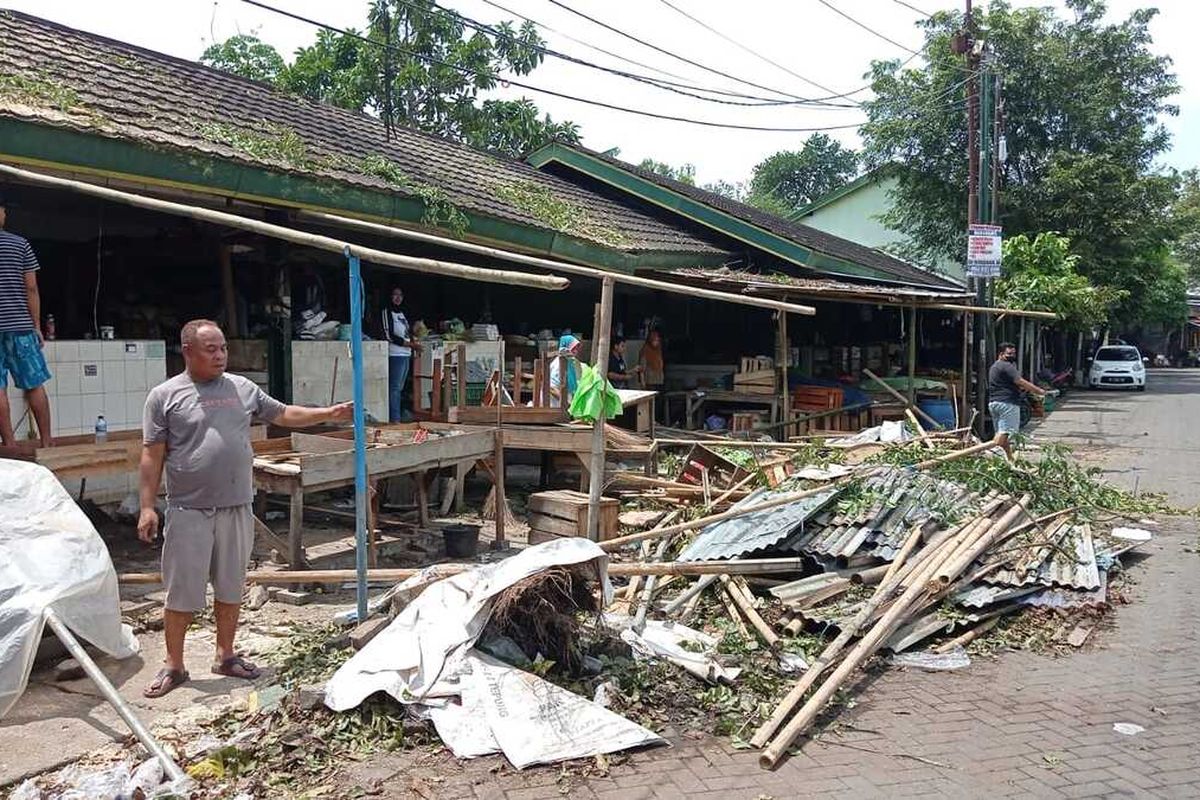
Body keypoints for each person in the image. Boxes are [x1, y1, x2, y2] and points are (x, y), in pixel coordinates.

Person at [138, 319, 353, 698]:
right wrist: (146, 507)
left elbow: (283, 414)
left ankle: (225, 655)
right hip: (189, 509)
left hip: (236, 506)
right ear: (187, 351)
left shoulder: (242, 388)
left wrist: (327, 414)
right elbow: (151, 455)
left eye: (223, 348)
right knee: (182, 591)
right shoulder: (164, 396)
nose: (220, 355)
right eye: (211, 349)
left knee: (231, 585)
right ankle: (174, 664)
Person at [0, 190, 52, 448]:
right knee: (33, 384)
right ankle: (46, 442)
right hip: (20, 327)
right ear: (2, 215)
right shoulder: (20, 245)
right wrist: (36, 326)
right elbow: (31, 288)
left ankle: (9, 445)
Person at [988, 341, 1047, 459]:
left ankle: (1009, 459)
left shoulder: (995, 366)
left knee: (1002, 433)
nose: (1012, 356)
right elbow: (1019, 381)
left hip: (995, 403)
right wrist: (1039, 391)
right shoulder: (1006, 366)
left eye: (1014, 353)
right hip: (1007, 404)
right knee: (1007, 433)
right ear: (1001, 354)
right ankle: (989, 451)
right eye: (1009, 354)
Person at [381, 286, 421, 422]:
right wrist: (411, 345)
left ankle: (397, 415)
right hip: (395, 354)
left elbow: (407, 333)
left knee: (400, 388)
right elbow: (389, 335)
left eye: (400, 295)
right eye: (395, 295)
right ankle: (395, 418)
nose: (398, 298)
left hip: (405, 354)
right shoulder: (386, 312)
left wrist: (414, 340)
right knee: (395, 388)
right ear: (390, 296)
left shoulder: (403, 313)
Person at [548, 334, 582, 407]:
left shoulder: (571, 363)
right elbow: (551, 387)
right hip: (554, 403)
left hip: (566, 401)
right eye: (573, 348)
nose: (575, 351)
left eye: (577, 348)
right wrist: (565, 401)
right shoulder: (558, 364)